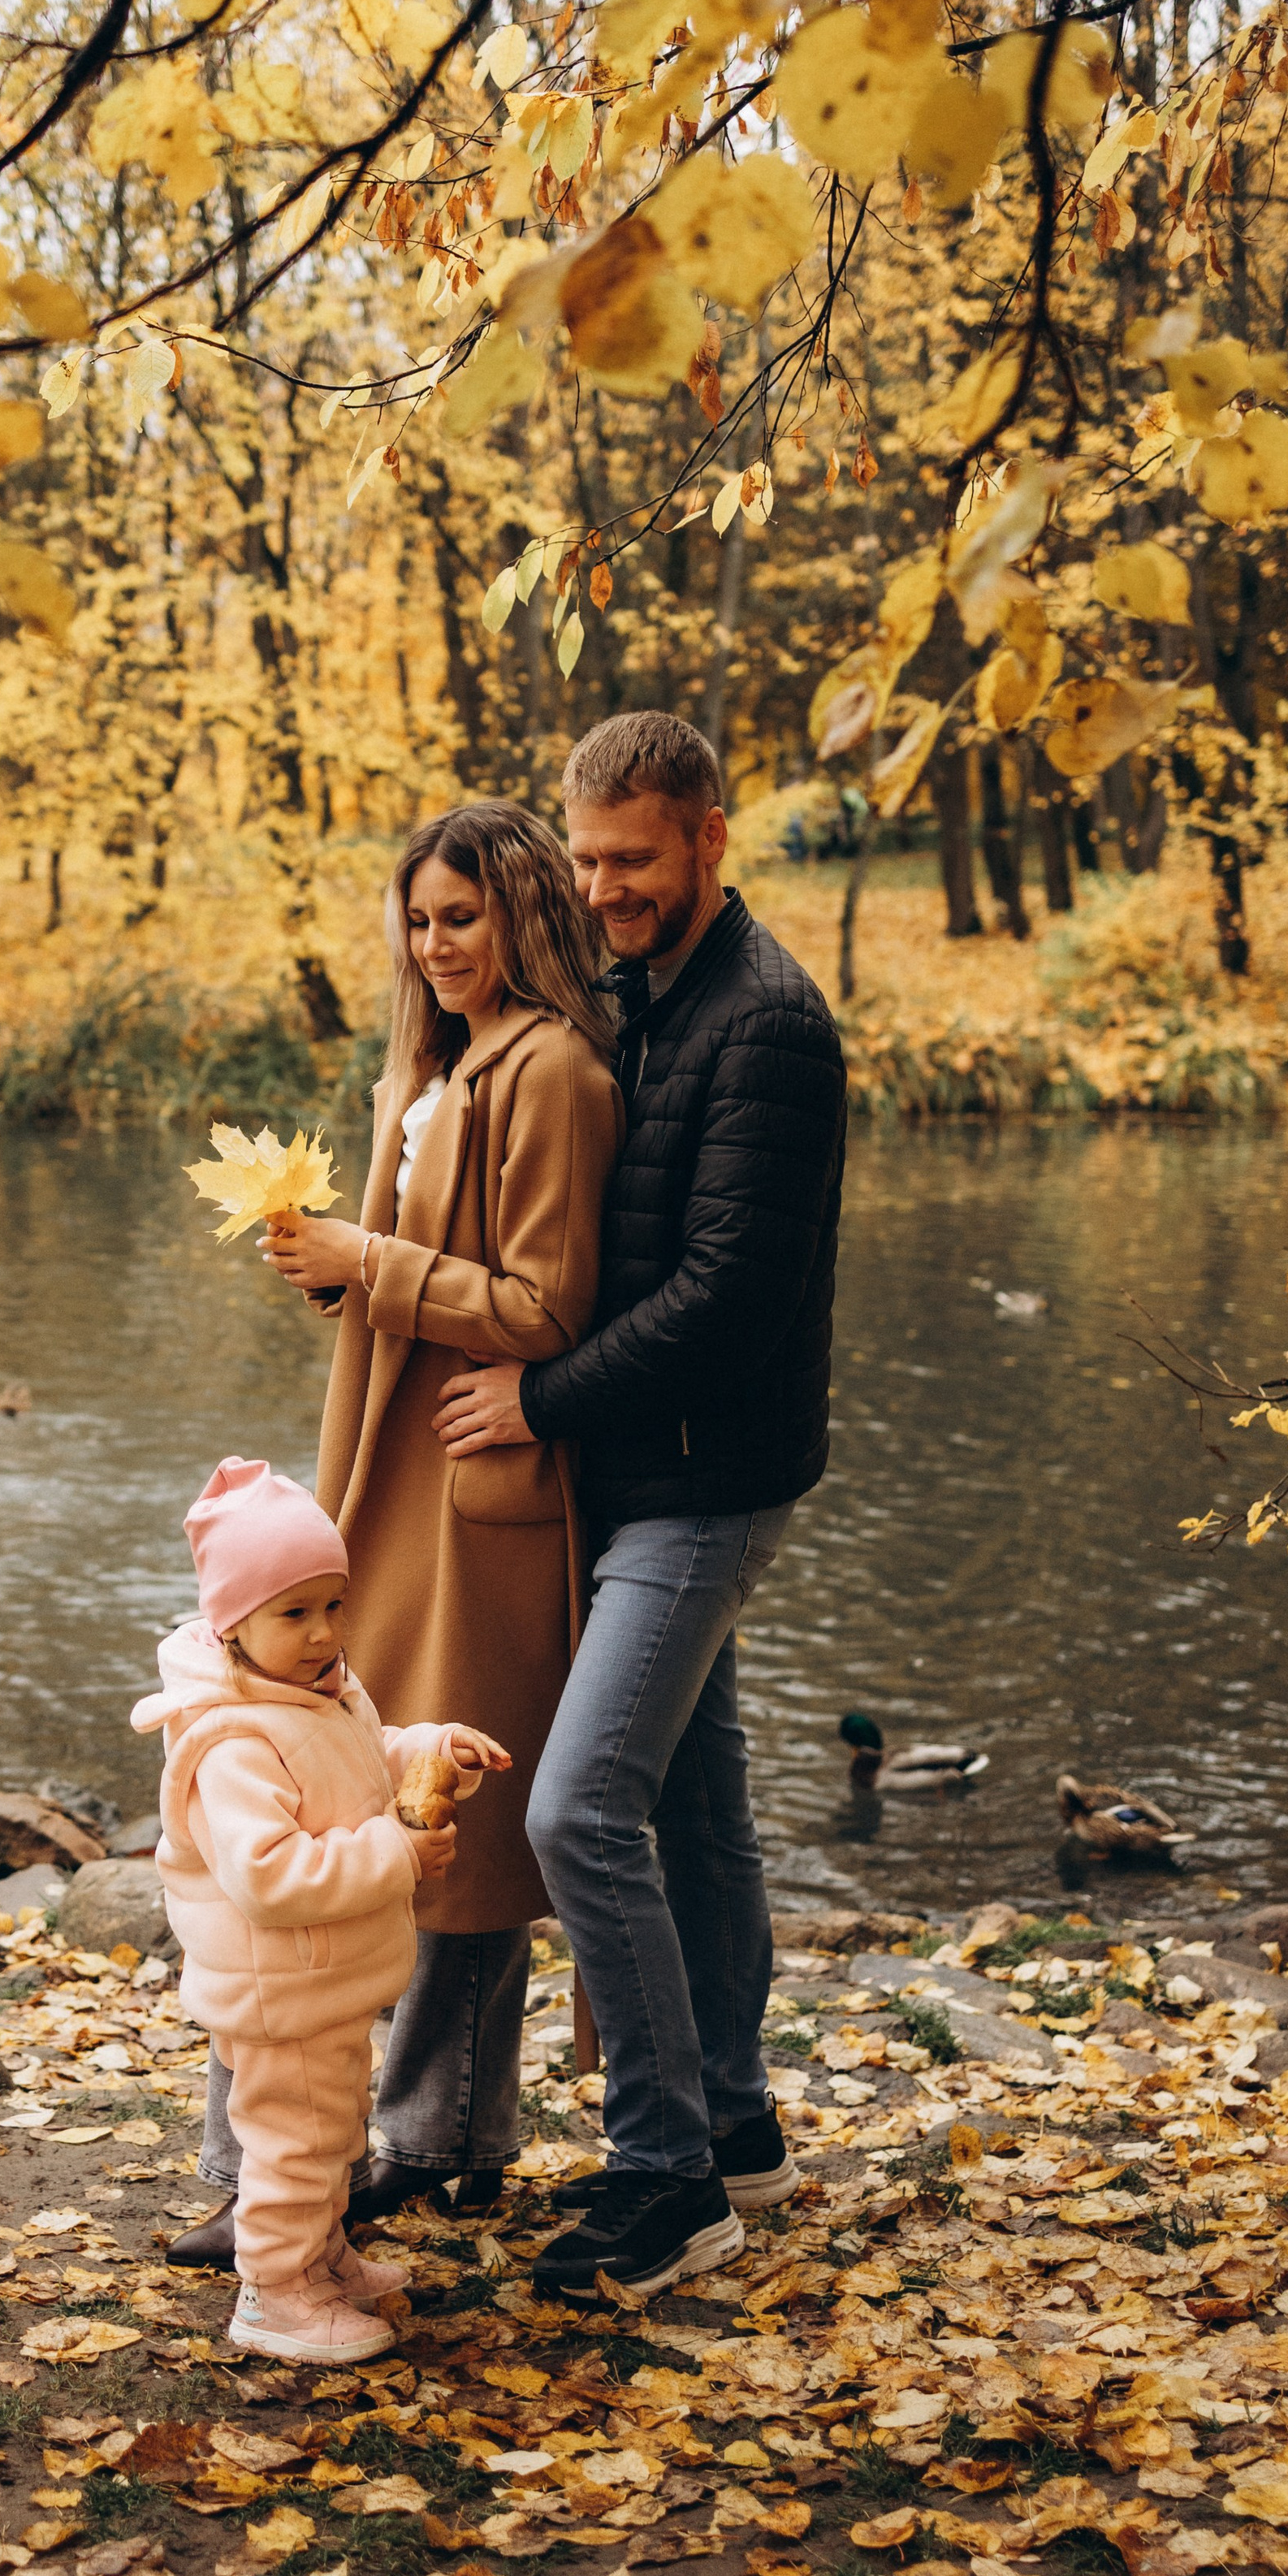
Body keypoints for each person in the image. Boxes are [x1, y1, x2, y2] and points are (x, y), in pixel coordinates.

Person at [434, 713, 847, 2303]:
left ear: (707, 841)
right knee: (688, 1812)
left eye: (633, 860)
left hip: (706, 1478)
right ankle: (737, 2132)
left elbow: (725, 1297)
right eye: (586, 859)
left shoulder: (768, 1025)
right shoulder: (627, 999)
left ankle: (662, 2180)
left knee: (574, 1810)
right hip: (636, 1476)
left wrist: (537, 1399)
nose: (603, 887)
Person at [178, 802, 620, 2262]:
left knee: (454, 1798)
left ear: (524, 919)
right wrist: (328, 1270)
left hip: (475, 1492)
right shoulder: (423, 1065)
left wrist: (371, 1262)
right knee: (355, 1777)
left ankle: (442, 2134)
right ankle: (372, 2137)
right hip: (384, 1466)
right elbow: (414, 1270)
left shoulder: (551, 1069)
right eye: (418, 920)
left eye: (463, 918)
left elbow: (550, 1304)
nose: (434, 945)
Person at [132, 1455, 509, 2362]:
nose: (322, 1632)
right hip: (278, 1986)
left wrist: (433, 1750)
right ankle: (274, 2295)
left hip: (324, 1980)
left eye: (333, 1605)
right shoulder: (231, 1744)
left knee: (331, 2132)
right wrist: (396, 1854)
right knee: (293, 2147)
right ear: (232, 1622)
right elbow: (268, 1875)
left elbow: (366, 1758)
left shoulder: (316, 1693)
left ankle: (322, 2257)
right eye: (293, 1613)